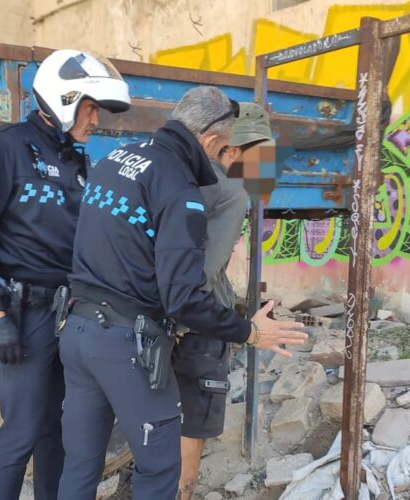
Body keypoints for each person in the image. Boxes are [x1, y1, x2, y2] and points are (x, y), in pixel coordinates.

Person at [57, 86, 306, 499]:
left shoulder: (114, 160)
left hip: (78, 327)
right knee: (160, 469)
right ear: (215, 141)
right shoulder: (191, 187)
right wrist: (248, 331)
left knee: (81, 464)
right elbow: (191, 289)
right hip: (135, 337)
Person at [0, 49, 130, 500]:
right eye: (91, 108)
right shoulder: (2, 148)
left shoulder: (76, 162)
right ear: (64, 99)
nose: (96, 120)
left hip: (68, 315)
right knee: (21, 432)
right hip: (20, 316)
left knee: (58, 432)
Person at [173, 101, 274, 500]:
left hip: (158, 313)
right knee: (193, 418)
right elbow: (206, 269)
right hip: (196, 318)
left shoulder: (178, 175)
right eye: (261, 153)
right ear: (233, 148)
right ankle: (182, 492)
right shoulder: (232, 188)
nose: (265, 165)